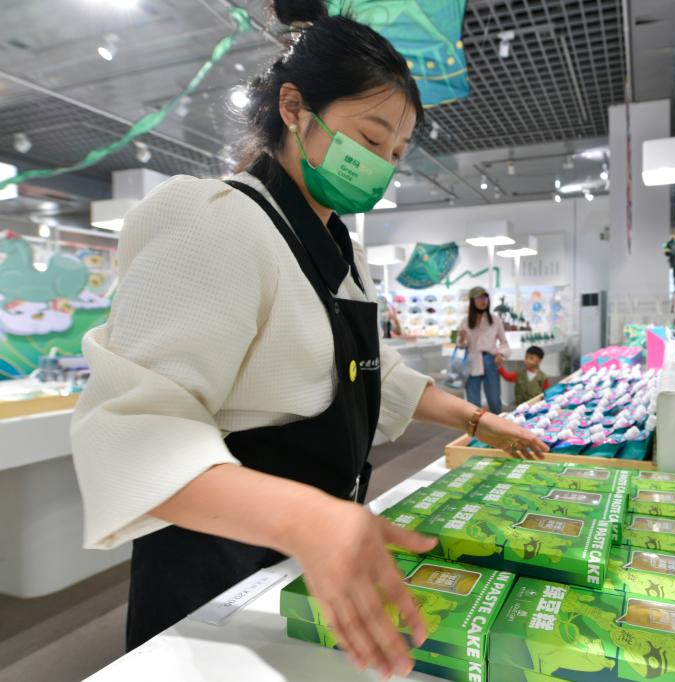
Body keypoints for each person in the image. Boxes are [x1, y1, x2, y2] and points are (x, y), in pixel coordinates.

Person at [69, 3, 547, 678]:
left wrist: (475, 419)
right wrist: (303, 518)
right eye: (370, 138)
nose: (381, 165)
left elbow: (368, 372)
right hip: (216, 574)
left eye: (395, 154)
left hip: (303, 564)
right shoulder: (214, 222)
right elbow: (136, 433)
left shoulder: (338, 250)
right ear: (293, 108)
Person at [457, 286, 508, 413]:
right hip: (472, 361)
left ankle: (498, 423)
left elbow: (504, 342)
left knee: (494, 399)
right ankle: (475, 425)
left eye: (485, 297)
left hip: (490, 360)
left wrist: (500, 354)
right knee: (473, 401)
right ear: (472, 301)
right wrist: (462, 339)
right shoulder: (465, 321)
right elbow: (461, 345)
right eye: (479, 298)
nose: (483, 301)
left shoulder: (495, 320)